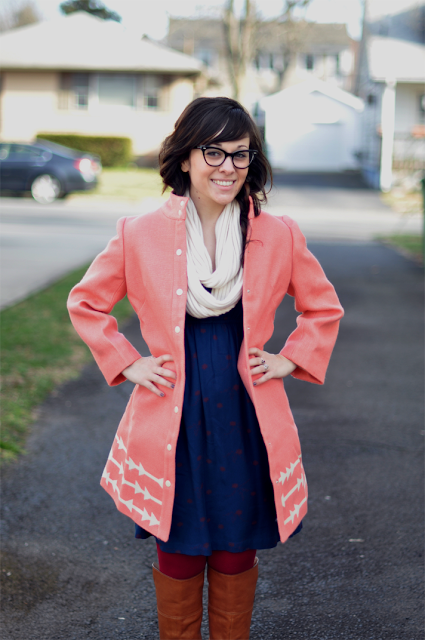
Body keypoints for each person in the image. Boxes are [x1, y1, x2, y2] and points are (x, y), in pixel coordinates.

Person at [67, 96, 344, 640]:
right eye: (212, 152)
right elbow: (86, 303)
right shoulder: (138, 233)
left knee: (237, 548)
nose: (227, 167)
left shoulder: (278, 232)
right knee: (178, 546)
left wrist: (290, 358)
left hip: (246, 412)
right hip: (174, 413)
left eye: (240, 154)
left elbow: (323, 307)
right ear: (186, 158)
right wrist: (129, 363)